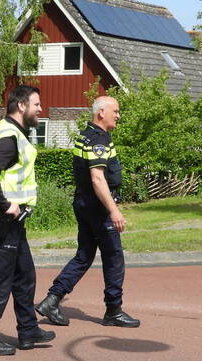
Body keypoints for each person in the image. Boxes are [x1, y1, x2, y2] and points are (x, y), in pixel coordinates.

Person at [36, 96, 140, 328]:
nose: (119, 115)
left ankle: (52, 300)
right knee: (114, 256)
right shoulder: (98, 139)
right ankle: (113, 310)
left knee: (84, 255)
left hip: (83, 203)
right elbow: (97, 178)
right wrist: (114, 211)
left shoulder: (85, 135)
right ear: (101, 112)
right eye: (116, 111)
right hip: (97, 207)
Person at [0, 85, 56, 356]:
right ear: (21, 106)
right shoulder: (9, 137)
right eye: (36, 105)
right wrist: (5, 204)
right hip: (3, 218)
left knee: (24, 274)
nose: (40, 109)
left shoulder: (9, 132)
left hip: (12, 221)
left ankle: (28, 330)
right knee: (0, 278)